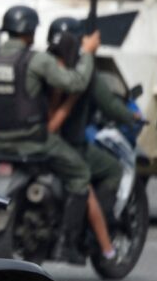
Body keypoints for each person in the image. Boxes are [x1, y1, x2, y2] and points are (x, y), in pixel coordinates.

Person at [0, 5, 100, 263]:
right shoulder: (36, 59)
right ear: (30, 32)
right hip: (31, 142)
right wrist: (87, 54)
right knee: (80, 173)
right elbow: (75, 82)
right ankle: (67, 243)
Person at [46, 17, 143, 260]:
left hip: (40, 140)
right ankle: (91, 233)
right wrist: (132, 117)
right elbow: (108, 104)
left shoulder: (41, 63)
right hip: (66, 144)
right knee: (110, 170)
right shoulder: (81, 70)